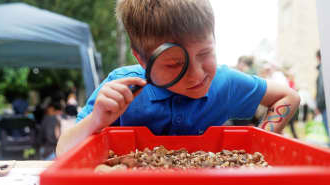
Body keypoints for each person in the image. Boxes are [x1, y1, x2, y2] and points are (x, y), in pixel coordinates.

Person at [56, 0, 300, 156]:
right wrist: (95, 121)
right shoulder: (122, 87)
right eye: (174, 63)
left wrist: (257, 144)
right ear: (142, 60)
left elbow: (288, 96)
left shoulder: (224, 82)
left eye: (205, 53)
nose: (197, 75)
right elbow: (63, 151)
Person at [315, 49, 329, 136]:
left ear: (318, 57)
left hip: (325, 106)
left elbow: (322, 89)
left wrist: (319, 106)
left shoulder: (323, 68)